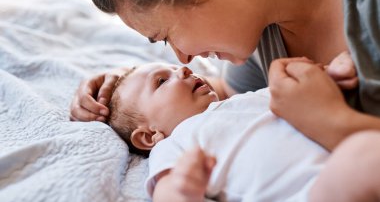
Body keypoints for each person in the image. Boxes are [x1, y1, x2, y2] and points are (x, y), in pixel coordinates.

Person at [71, 0, 380, 152]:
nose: (183, 58)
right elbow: (226, 101)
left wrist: (332, 122)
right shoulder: (259, 27)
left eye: (166, 36)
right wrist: (124, 90)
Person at [106, 62, 380, 202]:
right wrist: (183, 188)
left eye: (179, 68)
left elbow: (301, 92)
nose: (185, 69)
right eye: (162, 81)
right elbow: (165, 194)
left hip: (333, 167)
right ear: (149, 135)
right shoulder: (175, 142)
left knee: (363, 152)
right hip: (303, 194)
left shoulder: (243, 100)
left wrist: (331, 71)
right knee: (364, 155)